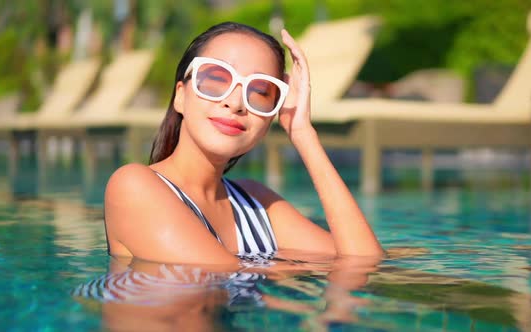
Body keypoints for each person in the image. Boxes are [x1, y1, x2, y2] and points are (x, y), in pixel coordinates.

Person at [103, 21, 384, 265]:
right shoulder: (133, 185)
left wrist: (302, 133)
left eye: (260, 91)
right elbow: (220, 280)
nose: (235, 102)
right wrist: (291, 271)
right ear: (180, 96)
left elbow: (363, 262)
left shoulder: (256, 202)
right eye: (214, 79)